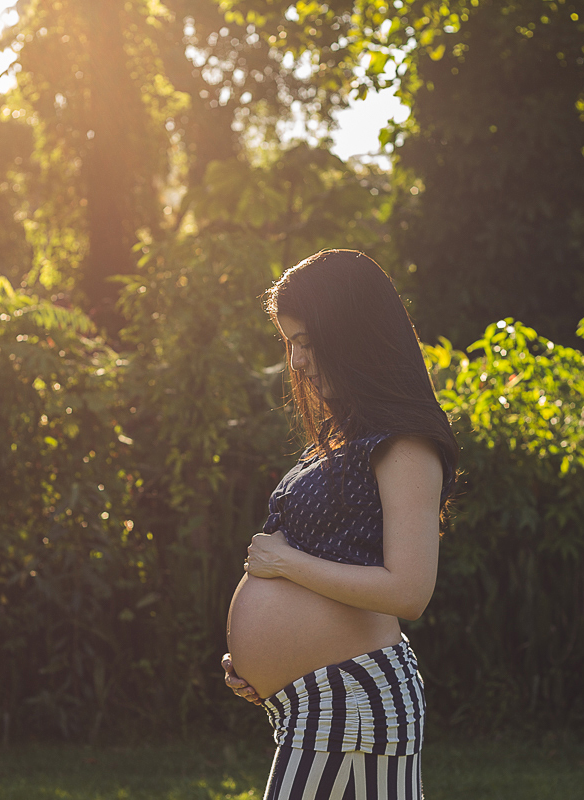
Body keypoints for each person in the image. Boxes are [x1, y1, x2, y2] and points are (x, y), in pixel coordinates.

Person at [222, 249, 457, 800]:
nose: (297, 360)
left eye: (306, 341)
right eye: (290, 343)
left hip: (353, 704)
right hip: (322, 706)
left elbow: (409, 590)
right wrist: (264, 665)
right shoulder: (346, 435)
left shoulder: (405, 445)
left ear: (349, 334)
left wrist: (285, 565)